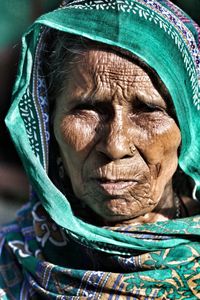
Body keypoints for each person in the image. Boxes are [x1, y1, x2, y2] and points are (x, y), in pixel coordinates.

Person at [1, 0, 200, 298]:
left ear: (189, 127)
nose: (115, 145)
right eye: (88, 109)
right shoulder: (11, 263)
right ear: (48, 122)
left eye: (147, 110)